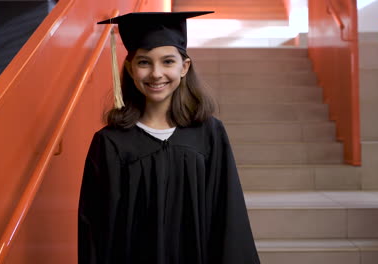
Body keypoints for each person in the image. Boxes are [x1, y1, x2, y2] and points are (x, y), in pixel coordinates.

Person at [78, 11, 260, 264]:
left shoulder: (209, 133)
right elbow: (96, 229)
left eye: (167, 62)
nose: (156, 74)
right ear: (130, 69)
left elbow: (228, 214)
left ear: (184, 67)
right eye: (144, 62)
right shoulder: (111, 142)